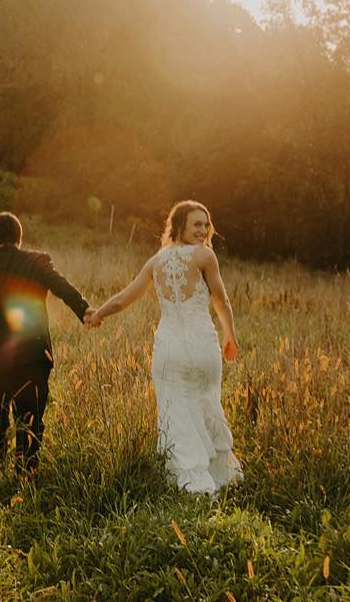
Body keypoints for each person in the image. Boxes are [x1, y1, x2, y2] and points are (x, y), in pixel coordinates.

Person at [89, 200, 242, 494]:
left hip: (170, 348)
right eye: (197, 224)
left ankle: (189, 478)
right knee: (206, 403)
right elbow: (220, 300)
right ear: (180, 225)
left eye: (206, 224)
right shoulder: (204, 256)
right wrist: (230, 335)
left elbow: (124, 299)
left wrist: (98, 315)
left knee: (177, 410)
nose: (203, 230)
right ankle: (213, 477)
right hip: (200, 344)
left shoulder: (156, 261)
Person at [0, 211, 93, 476]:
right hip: (32, 357)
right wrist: (84, 311)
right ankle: (26, 477)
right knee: (30, 420)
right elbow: (62, 288)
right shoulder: (37, 262)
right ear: (20, 238)